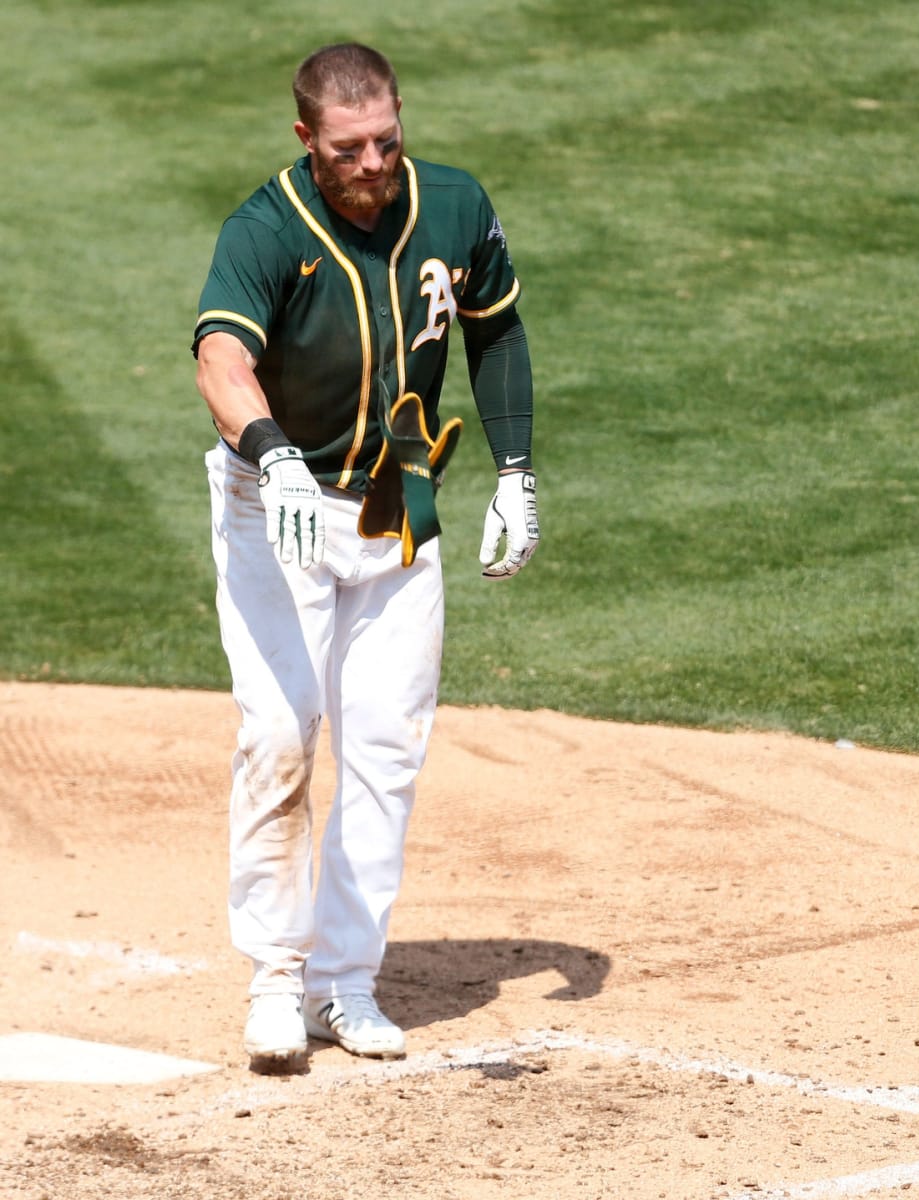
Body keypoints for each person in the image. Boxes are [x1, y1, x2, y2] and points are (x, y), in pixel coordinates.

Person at [192, 42, 539, 1068]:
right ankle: (275, 978)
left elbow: (498, 332)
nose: (376, 161)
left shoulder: (455, 205)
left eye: (389, 137)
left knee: (385, 748)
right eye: (351, 147)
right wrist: (275, 456)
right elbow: (221, 357)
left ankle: (346, 985)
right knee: (278, 735)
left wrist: (517, 471)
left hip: (395, 512)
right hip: (278, 511)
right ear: (308, 141)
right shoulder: (264, 230)